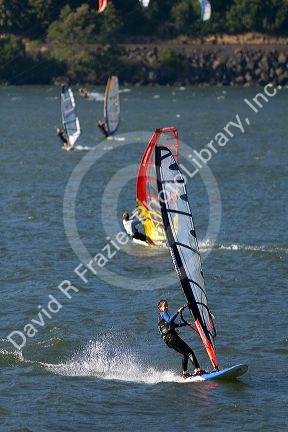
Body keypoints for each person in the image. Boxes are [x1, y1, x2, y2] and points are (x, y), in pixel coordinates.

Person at [157, 299, 206, 379]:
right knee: (190, 352)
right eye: (164, 306)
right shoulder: (163, 313)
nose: (166, 307)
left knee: (185, 354)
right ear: (160, 308)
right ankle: (198, 370)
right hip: (171, 337)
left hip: (167, 341)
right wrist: (178, 312)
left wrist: (184, 324)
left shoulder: (161, 319)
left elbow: (173, 325)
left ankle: (185, 373)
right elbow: (169, 321)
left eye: (167, 305)